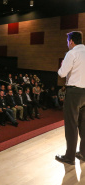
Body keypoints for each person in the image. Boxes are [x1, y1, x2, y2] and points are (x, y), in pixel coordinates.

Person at [56, 31, 85, 165]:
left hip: (74, 93)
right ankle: (83, 153)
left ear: (71, 41)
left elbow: (62, 73)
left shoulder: (71, 53)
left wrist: (63, 63)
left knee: (71, 125)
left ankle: (69, 157)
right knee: (84, 124)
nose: (68, 44)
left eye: (68, 41)